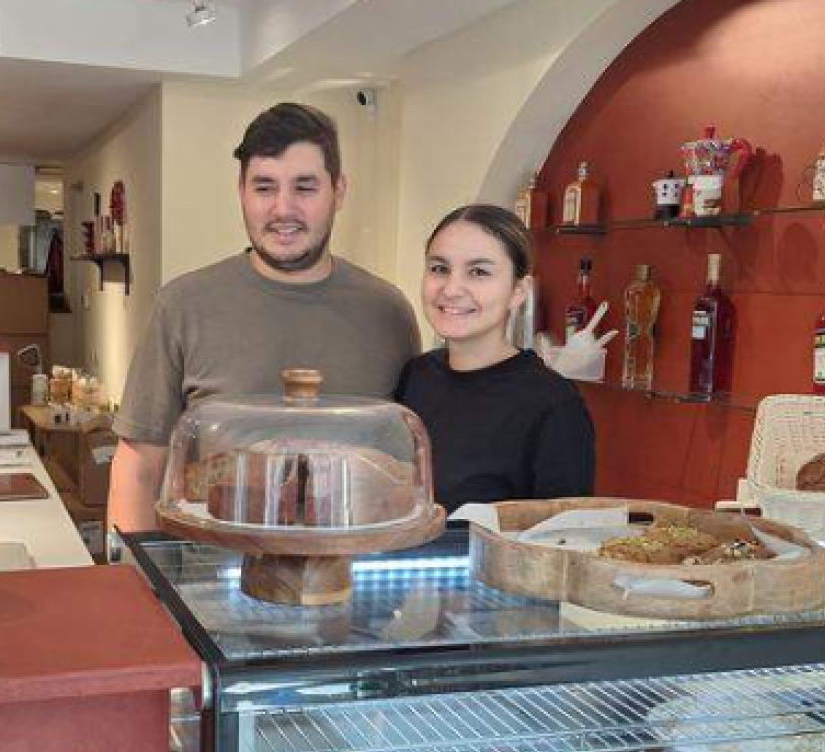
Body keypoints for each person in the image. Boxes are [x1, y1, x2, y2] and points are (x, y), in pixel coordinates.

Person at [109, 103, 421, 532]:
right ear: (241, 191)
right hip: (210, 566)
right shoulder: (182, 305)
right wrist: (131, 567)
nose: (282, 208)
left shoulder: (389, 312)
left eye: (305, 187)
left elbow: (405, 469)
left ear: (339, 191)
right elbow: (140, 469)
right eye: (264, 187)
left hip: (356, 567)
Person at [395, 204, 595, 512]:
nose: (451, 289)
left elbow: (564, 533)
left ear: (519, 291)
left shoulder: (553, 406)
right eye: (439, 268)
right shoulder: (416, 375)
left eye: (478, 272)